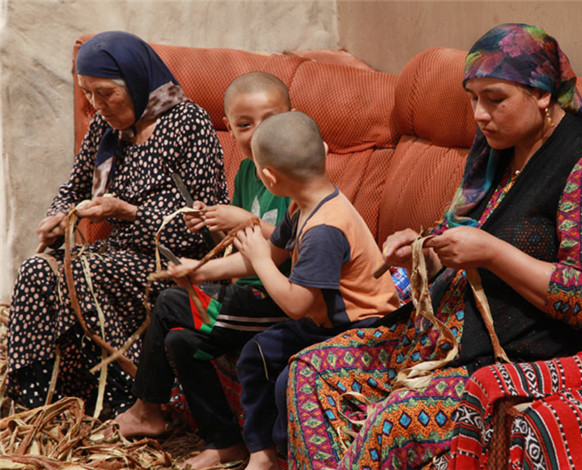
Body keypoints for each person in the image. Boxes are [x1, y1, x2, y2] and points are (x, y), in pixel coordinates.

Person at [286, 23, 582, 469]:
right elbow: (456, 242)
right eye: (472, 99)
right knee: (309, 371)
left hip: (516, 360)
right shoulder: (496, 156)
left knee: (394, 423)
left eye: (494, 99)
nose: (479, 115)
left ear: (542, 94)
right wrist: (423, 252)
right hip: (441, 337)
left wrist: (492, 252)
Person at [6, 31, 228, 414]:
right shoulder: (104, 127)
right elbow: (74, 188)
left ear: (136, 79)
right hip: (117, 255)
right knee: (36, 271)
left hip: (177, 263)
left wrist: (130, 213)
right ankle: (40, 406)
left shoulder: (188, 122)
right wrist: (58, 216)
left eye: (106, 93)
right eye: (87, 94)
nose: (97, 105)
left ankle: (134, 402)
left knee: (81, 274)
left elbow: (202, 223)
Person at [168, 111, 399, 470]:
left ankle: (297, 458)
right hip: (326, 323)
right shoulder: (302, 204)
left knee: (290, 381)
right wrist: (199, 271)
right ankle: (262, 455)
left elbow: (295, 303)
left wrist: (260, 259)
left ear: (269, 177)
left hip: (365, 330)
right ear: (323, 151)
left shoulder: (325, 228)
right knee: (257, 354)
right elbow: (272, 256)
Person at [113, 72, 293, 470]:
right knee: (180, 340)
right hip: (249, 292)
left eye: (271, 120)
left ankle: (147, 408)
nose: (258, 134)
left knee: (170, 301)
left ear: (292, 117)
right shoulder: (246, 172)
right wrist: (213, 228)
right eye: (244, 125)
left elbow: (287, 246)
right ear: (228, 127)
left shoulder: (292, 172)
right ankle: (225, 441)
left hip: (281, 298)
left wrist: (243, 222)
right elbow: (245, 246)